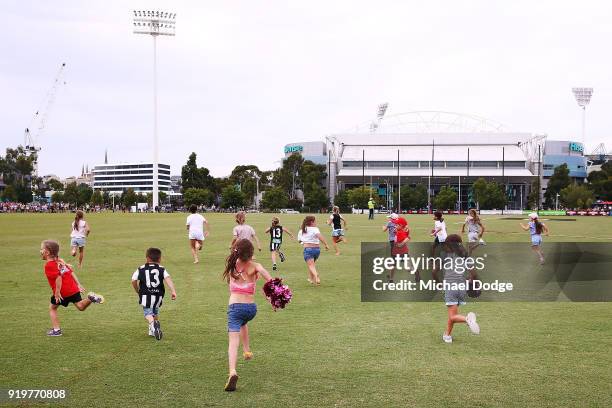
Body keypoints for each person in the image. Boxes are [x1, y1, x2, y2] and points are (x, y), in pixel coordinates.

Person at [223, 239, 272, 392]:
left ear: (237, 251)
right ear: (251, 253)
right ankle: (247, 351)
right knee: (243, 322)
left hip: (235, 308)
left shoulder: (232, 266)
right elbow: (271, 282)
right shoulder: (256, 267)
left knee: (232, 341)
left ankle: (232, 371)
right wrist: (272, 300)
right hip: (251, 309)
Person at [40, 240, 105, 337]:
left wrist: (57, 293)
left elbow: (58, 278)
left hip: (62, 291)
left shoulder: (49, 265)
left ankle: (57, 330)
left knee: (52, 308)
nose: (40, 251)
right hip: (73, 288)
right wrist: (78, 284)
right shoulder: (60, 261)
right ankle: (90, 298)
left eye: (42, 249)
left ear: (47, 252)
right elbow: (70, 272)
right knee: (80, 306)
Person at [440, 234, 480, 344]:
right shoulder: (465, 255)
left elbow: (435, 271)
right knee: (453, 314)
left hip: (450, 287)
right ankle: (447, 335)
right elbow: (474, 273)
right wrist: (472, 282)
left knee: (453, 316)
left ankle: (467, 319)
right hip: (461, 287)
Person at [131, 247, 177, 340]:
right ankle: (152, 331)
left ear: (147, 258)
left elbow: (133, 280)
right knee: (155, 312)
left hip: (145, 295)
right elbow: (168, 279)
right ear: (160, 259)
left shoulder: (141, 268)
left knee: (148, 313)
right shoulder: (161, 268)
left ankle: (153, 325)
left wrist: (137, 289)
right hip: (158, 295)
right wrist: (173, 291)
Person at [297, 216, 330, 285]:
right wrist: (326, 244)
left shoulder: (302, 230)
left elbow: (299, 240)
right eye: (315, 221)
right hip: (317, 250)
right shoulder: (315, 229)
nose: (316, 223)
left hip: (308, 250)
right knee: (312, 264)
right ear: (312, 222)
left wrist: (304, 243)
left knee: (311, 265)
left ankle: (316, 275)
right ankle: (311, 279)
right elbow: (320, 236)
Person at [390, 216, 410, 282]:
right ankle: (391, 279)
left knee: (408, 268)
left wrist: (401, 244)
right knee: (393, 265)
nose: (395, 225)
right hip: (396, 251)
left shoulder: (401, 232)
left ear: (401, 225)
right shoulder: (399, 230)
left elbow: (407, 238)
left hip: (402, 251)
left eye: (396, 224)